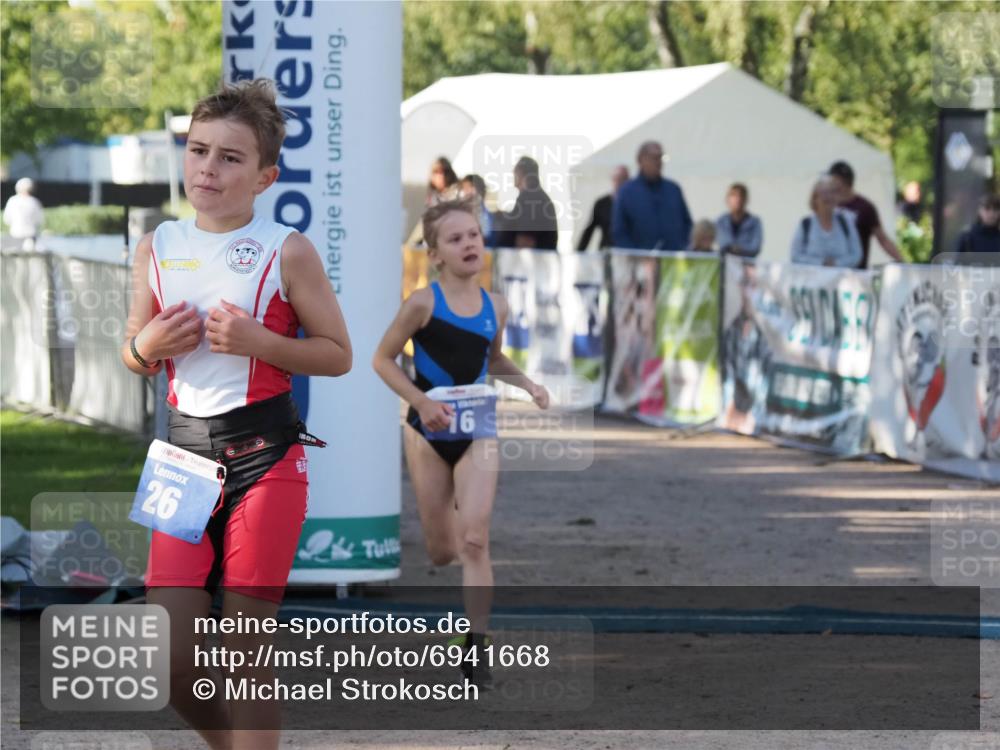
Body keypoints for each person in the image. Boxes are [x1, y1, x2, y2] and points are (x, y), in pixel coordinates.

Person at [122, 79, 351, 750]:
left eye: (229, 157)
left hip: (267, 459)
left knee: (245, 651)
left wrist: (262, 343)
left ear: (265, 176)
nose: (208, 169)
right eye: (198, 151)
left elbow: (337, 355)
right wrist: (145, 348)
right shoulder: (156, 245)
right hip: (181, 460)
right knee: (169, 659)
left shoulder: (288, 250)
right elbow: (133, 353)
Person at [372, 198, 549, 687]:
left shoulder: (498, 305)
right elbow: (382, 360)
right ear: (435, 255)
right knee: (442, 552)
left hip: (478, 430)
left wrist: (529, 385)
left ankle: (476, 646)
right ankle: (451, 519)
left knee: (475, 539)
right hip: (427, 434)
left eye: (473, 234)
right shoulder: (421, 304)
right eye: (455, 239)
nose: (469, 243)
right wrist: (421, 403)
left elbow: (491, 360)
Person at [611, 141, 692, 251]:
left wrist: (681, 245)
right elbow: (619, 231)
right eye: (653, 158)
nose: (658, 162)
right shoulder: (627, 192)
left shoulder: (673, 189)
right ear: (640, 160)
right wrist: (637, 257)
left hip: (671, 262)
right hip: (638, 263)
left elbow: (687, 223)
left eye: (660, 158)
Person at [828, 160, 902, 267]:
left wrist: (902, 261)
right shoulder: (828, 205)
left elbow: (882, 238)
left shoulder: (865, 207)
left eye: (833, 180)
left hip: (856, 273)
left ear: (842, 181)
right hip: (830, 272)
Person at [790, 176, 863, 268]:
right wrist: (821, 263)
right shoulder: (805, 224)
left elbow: (856, 255)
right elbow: (795, 256)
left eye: (833, 192)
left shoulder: (846, 223)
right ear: (815, 199)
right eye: (824, 193)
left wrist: (837, 263)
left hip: (842, 281)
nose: (829, 197)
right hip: (812, 281)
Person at [495, 156, 558, 250]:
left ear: (519, 172)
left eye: (514, 171)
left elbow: (526, 241)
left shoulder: (530, 198)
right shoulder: (536, 197)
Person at [577, 165, 628, 251]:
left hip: (626, 251)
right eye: (617, 179)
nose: (619, 182)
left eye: (623, 179)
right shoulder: (601, 203)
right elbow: (589, 229)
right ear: (612, 179)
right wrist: (579, 251)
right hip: (606, 251)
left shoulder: (633, 204)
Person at [714, 183, 763, 258]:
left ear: (746, 199)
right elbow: (722, 244)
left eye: (741, 195)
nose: (738, 199)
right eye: (734, 195)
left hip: (746, 266)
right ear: (727, 199)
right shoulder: (721, 221)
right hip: (726, 265)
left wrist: (738, 249)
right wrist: (735, 248)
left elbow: (755, 247)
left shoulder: (755, 222)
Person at [3, 177, 44, 250]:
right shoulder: (35, 202)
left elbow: (6, 219)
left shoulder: (12, 201)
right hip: (30, 235)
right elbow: (39, 220)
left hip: (15, 234)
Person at [459, 173, 496, 247]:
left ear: (481, 190)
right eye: (464, 188)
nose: (467, 192)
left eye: (471, 187)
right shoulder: (458, 218)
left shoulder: (493, 217)